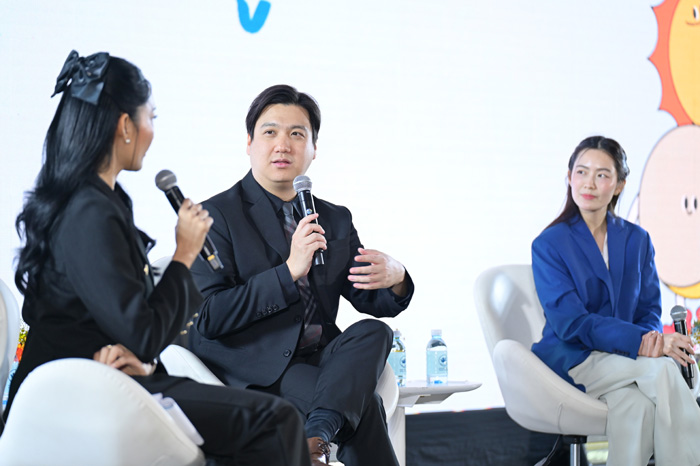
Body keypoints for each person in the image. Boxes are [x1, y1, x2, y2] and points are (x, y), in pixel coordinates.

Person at [6, 51, 311, 465]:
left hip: (112, 374)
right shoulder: (89, 210)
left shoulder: (101, 200)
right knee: (277, 421)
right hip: (74, 392)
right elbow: (145, 333)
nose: (152, 130)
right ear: (125, 126)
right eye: (150, 117)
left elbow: (128, 324)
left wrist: (139, 355)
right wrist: (185, 252)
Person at [188, 84, 414, 466]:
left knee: (375, 332)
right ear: (249, 142)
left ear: (313, 149)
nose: (283, 145)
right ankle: (321, 431)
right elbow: (209, 317)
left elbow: (367, 297)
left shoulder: (334, 217)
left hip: (322, 358)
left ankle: (317, 432)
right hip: (260, 364)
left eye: (297, 134)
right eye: (270, 132)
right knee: (365, 408)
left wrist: (398, 276)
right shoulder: (214, 216)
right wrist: (289, 271)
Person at [531, 135, 700, 466]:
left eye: (602, 175)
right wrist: (642, 343)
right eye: (581, 172)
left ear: (620, 184)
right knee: (665, 372)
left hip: (624, 361)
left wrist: (649, 341)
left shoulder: (637, 239)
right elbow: (571, 323)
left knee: (635, 407)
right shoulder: (549, 244)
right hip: (574, 358)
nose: (589, 183)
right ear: (569, 178)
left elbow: (649, 309)